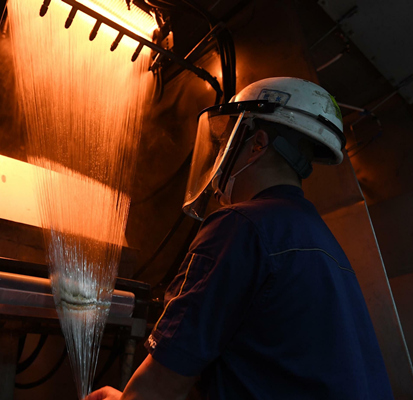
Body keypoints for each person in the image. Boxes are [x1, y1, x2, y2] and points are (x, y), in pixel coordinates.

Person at [86, 77, 393, 400]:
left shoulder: (240, 226)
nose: (220, 155)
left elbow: (160, 389)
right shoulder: (322, 242)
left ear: (257, 143)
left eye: (225, 142)